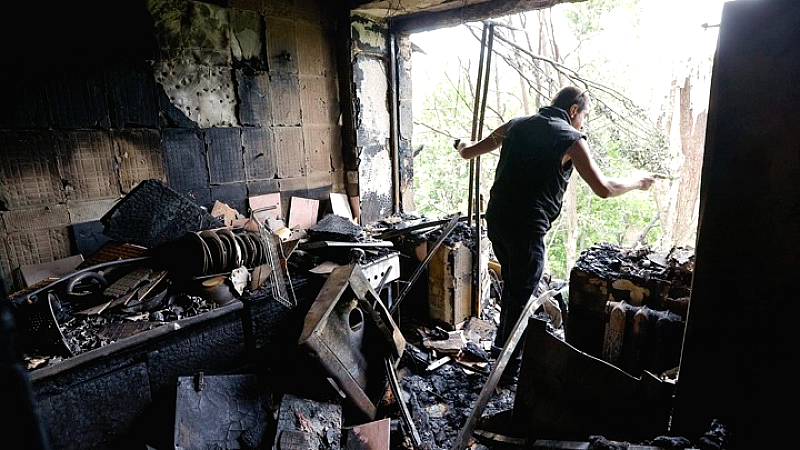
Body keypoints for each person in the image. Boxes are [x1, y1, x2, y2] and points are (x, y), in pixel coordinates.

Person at [454, 86, 663, 383]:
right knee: (519, 296)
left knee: (515, 289)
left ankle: (500, 355)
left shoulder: (515, 125)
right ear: (574, 110)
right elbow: (604, 188)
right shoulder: (571, 139)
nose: (582, 124)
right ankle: (505, 372)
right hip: (527, 229)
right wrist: (637, 182)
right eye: (583, 117)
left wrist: (462, 143)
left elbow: (468, 152)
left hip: (498, 222)